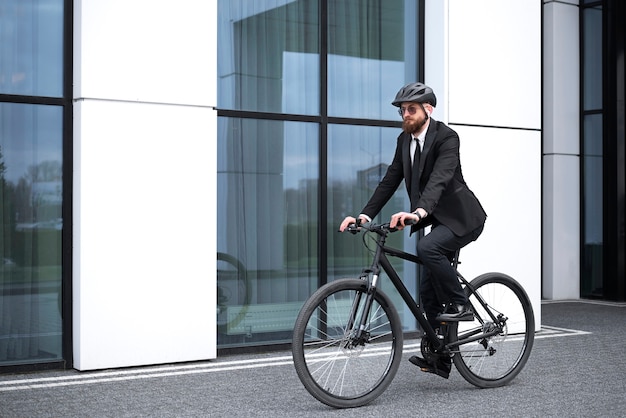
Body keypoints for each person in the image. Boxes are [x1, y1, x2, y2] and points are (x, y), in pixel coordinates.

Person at [339, 82, 487, 379]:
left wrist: (418, 212)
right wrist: (364, 215)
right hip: (434, 219)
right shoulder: (403, 141)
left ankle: (462, 304)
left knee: (427, 248)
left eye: (411, 109)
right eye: (402, 110)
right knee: (426, 294)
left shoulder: (447, 138)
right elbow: (389, 180)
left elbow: (440, 179)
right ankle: (441, 358)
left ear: (427, 110)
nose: (405, 114)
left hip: (462, 218)